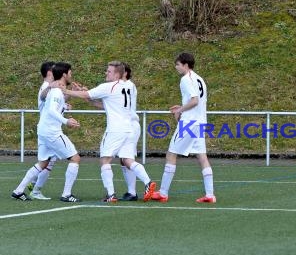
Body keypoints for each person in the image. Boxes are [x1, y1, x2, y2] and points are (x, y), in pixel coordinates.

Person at [63, 61, 155, 203]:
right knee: (128, 160)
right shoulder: (129, 86)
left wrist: (66, 91)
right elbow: (106, 103)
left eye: (109, 71)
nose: (106, 73)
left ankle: (111, 195)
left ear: (118, 74)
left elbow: (87, 94)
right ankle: (148, 182)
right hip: (130, 128)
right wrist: (87, 96)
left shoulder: (108, 87)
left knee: (105, 160)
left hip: (115, 129)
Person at [12, 62, 82, 203]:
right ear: (64, 74)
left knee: (43, 163)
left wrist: (67, 100)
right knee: (75, 158)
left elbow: (53, 105)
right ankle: (66, 194)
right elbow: (51, 110)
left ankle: (19, 191)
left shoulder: (56, 90)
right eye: (70, 73)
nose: (71, 75)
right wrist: (66, 121)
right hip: (52, 132)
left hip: (44, 130)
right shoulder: (54, 90)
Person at [150, 52, 215, 203]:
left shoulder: (185, 79)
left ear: (186, 65)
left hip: (189, 123)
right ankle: (210, 195)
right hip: (199, 122)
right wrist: (183, 106)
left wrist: (180, 110)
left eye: (178, 64)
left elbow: (194, 101)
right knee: (202, 157)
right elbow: (194, 101)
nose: (176, 67)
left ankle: (163, 193)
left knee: (171, 154)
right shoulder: (199, 78)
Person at [26, 61, 57, 200]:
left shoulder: (49, 87)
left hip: (48, 129)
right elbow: (44, 97)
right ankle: (35, 188)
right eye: (55, 70)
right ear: (49, 72)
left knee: (47, 161)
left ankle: (32, 185)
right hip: (48, 129)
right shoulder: (46, 86)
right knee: (47, 162)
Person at [118, 63, 141, 201]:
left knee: (127, 159)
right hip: (127, 125)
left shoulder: (126, 86)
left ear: (125, 73)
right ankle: (131, 191)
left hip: (130, 125)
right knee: (123, 159)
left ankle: (147, 183)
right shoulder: (128, 86)